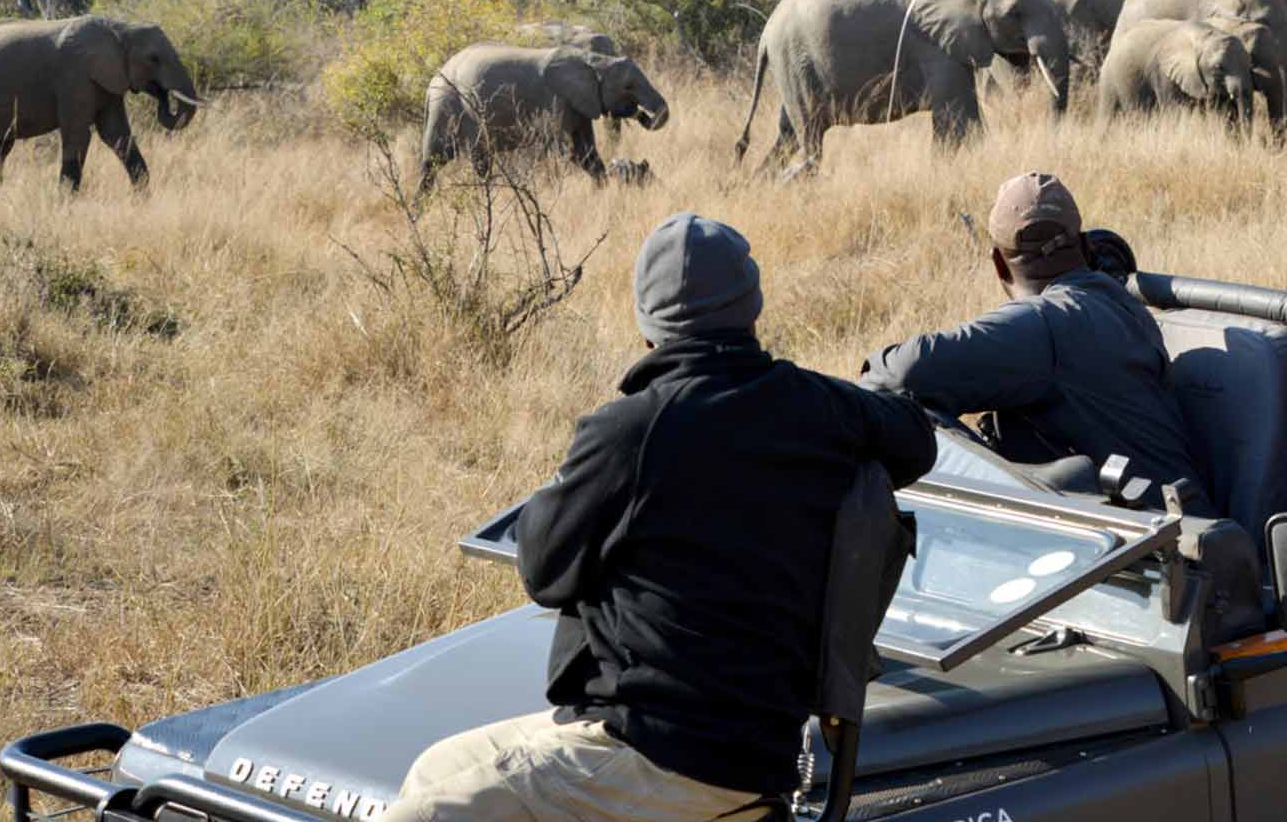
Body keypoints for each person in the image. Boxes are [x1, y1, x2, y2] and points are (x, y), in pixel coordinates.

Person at [384, 213, 939, 822]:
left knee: (430, 811)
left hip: (657, 754)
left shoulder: (630, 431)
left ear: (648, 328)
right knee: (436, 766)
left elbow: (542, 571)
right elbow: (914, 439)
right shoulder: (822, 409)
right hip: (749, 751)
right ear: (752, 310)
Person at [862, 172, 1210, 509]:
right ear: (1087, 247)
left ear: (999, 264)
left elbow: (898, 375)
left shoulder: (1048, 323)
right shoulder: (1118, 306)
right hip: (1173, 530)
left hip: (1156, 551)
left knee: (904, 413)